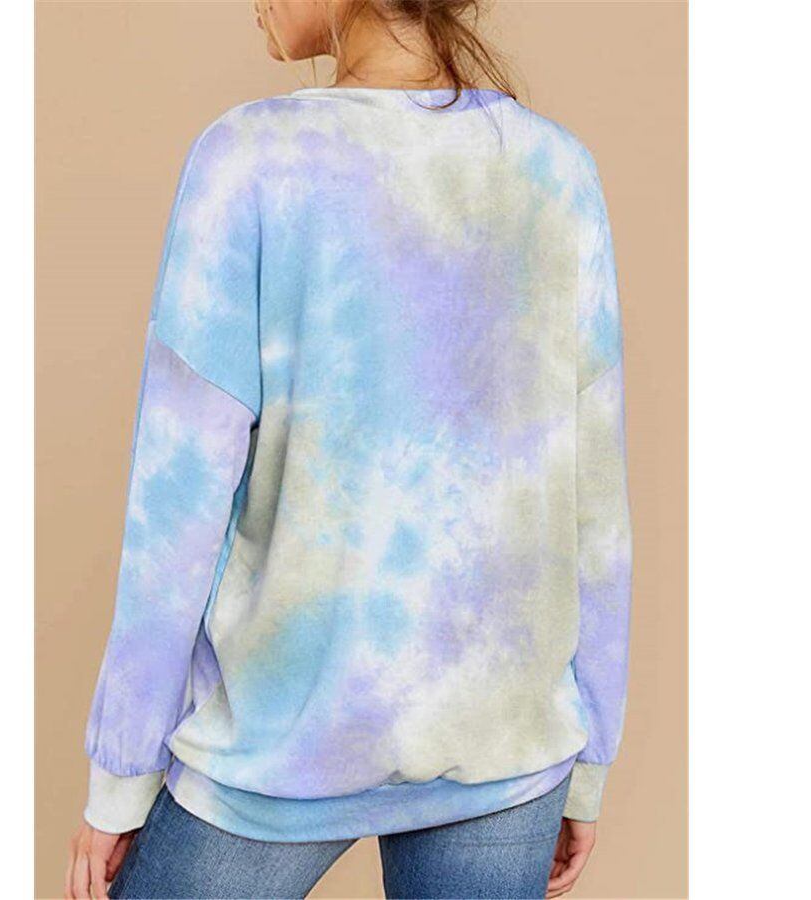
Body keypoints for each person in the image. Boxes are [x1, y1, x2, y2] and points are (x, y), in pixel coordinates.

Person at [65, 1, 633, 897]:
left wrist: (121, 777)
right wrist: (589, 755)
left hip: (277, 749)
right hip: (508, 747)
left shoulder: (249, 159)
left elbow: (174, 508)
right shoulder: (556, 171)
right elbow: (594, 507)